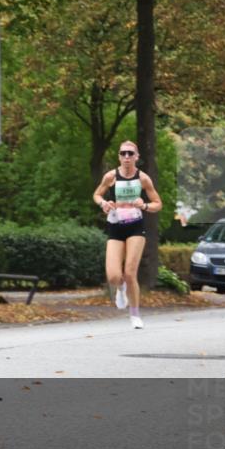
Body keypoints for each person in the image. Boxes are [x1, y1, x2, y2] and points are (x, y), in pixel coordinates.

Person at [92, 141, 163, 329]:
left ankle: (135, 314)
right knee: (114, 276)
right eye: (123, 153)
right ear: (119, 156)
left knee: (130, 272)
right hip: (116, 226)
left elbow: (158, 203)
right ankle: (120, 287)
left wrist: (145, 205)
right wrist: (104, 204)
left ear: (136, 157)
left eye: (130, 154)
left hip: (135, 227)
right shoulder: (111, 176)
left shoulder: (143, 178)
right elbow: (97, 194)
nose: (126, 157)